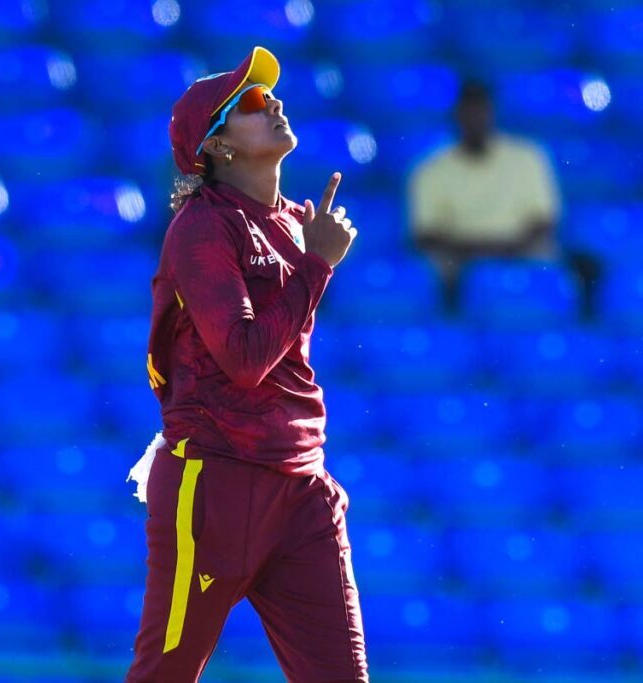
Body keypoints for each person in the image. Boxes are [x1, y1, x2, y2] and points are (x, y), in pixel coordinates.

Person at [126, 47, 366, 682]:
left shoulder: (294, 223)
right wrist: (316, 266)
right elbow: (244, 359)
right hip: (218, 481)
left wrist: (311, 256)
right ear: (218, 147)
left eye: (269, 94)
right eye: (254, 102)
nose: (274, 101)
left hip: (301, 483)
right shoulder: (203, 228)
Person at [408, 79, 599, 316]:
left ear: (492, 113)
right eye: (469, 112)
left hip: (522, 251)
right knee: (434, 272)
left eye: (481, 111)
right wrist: (482, 252)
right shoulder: (430, 169)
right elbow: (426, 234)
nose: (475, 119)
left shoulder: (528, 157)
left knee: (583, 267)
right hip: (461, 261)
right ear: (457, 116)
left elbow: (545, 220)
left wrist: (507, 248)